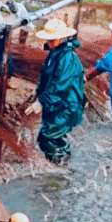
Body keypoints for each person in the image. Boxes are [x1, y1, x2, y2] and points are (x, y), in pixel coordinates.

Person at [27, 17, 85, 164]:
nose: (49, 43)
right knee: (56, 138)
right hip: (58, 104)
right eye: (48, 40)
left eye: (52, 40)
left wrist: (41, 102)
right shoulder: (55, 53)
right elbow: (48, 77)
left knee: (46, 137)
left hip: (66, 106)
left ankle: (59, 168)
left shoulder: (67, 57)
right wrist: (38, 91)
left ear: (62, 38)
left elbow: (60, 86)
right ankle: (64, 164)